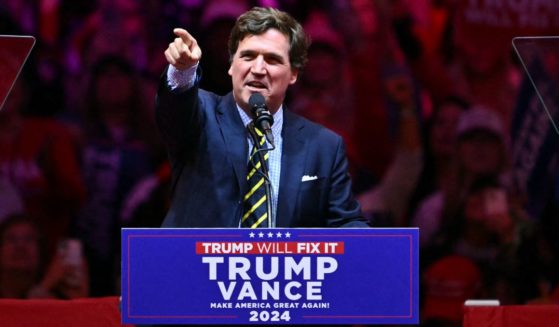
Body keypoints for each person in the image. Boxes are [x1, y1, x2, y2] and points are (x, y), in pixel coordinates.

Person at [157, 7, 367, 228]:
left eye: (272, 59)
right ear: (231, 65)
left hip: (285, 263)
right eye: (248, 56)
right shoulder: (201, 115)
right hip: (196, 261)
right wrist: (182, 71)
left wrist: (386, 252)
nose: (258, 68)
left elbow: (346, 223)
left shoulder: (324, 146)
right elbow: (174, 110)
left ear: (293, 74)